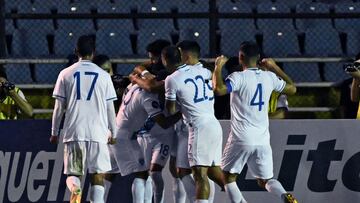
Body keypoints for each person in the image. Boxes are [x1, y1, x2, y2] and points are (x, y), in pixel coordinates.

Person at [212, 41, 298, 203]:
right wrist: (274, 67)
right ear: (258, 58)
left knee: (226, 176)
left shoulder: (238, 77)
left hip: (241, 137)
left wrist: (218, 67)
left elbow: (219, 90)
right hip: (262, 139)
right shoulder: (269, 77)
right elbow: (292, 88)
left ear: (240, 58)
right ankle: (286, 196)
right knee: (265, 180)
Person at [49, 35, 117, 203]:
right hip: (98, 132)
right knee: (98, 176)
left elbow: (59, 108)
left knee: (74, 174)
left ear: (75, 51)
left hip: (75, 131)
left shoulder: (65, 74)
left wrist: (54, 132)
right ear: (93, 53)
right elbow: (110, 108)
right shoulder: (103, 75)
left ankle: (75, 188)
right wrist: (113, 132)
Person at [163, 45, 224, 203]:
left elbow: (170, 110)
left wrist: (180, 104)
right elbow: (209, 76)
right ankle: (237, 197)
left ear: (165, 60)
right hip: (213, 124)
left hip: (199, 127)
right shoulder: (203, 71)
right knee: (212, 172)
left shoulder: (172, 78)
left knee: (200, 174)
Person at [111, 77, 182, 203]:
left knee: (146, 173)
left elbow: (137, 73)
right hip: (126, 137)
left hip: (125, 133)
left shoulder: (133, 86)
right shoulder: (148, 96)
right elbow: (164, 123)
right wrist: (183, 111)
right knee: (141, 174)